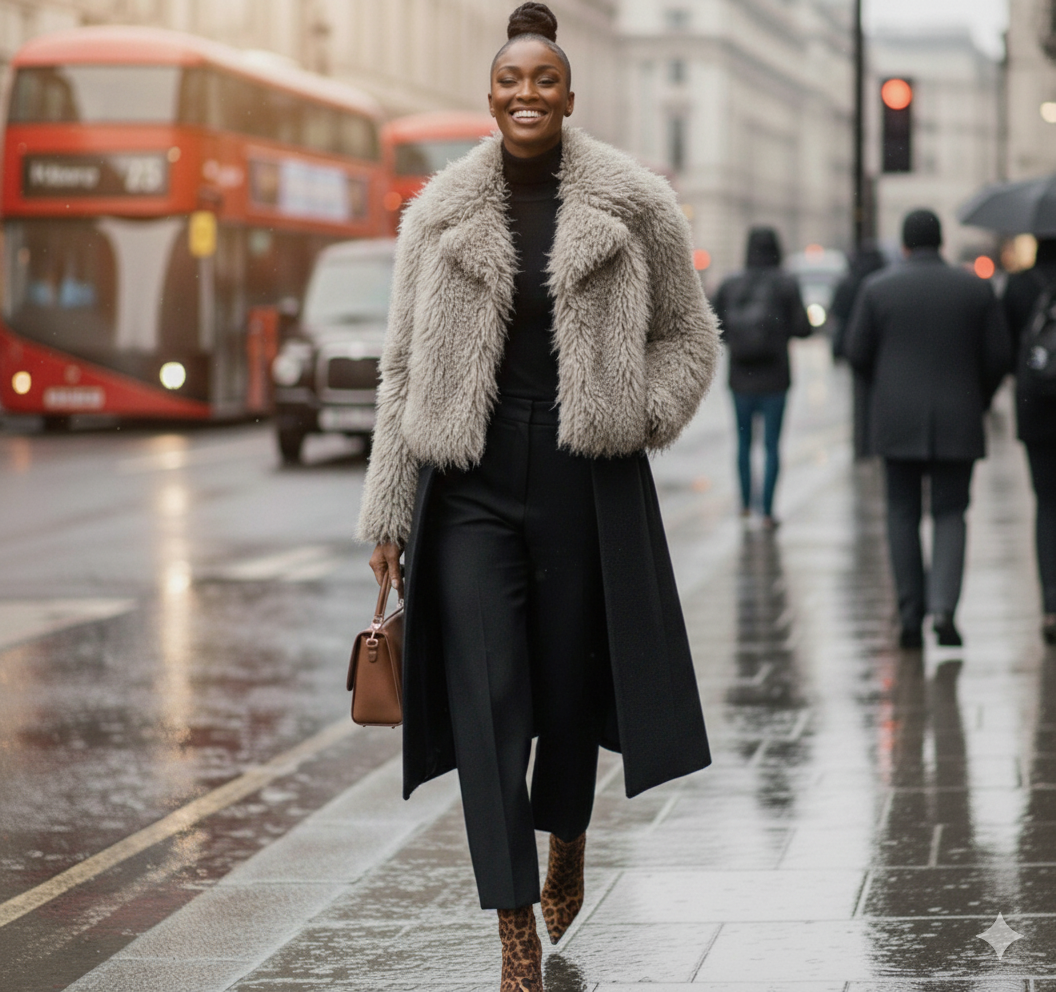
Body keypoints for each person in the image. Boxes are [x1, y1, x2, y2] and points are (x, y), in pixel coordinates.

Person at [357, 4, 719, 989]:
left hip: (582, 475)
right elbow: (398, 371)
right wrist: (390, 513)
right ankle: (512, 924)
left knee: (566, 689)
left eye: (545, 80)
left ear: (569, 93)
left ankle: (567, 829)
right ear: (490, 95)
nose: (528, 94)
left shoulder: (635, 204)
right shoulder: (437, 215)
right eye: (511, 81)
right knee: (488, 697)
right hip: (467, 483)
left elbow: (690, 338)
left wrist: (637, 409)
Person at [845, 209, 1011, 649]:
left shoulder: (878, 289)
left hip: (897, 419)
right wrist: (977, 394)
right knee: (951, 512)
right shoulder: (974, 289)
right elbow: (999, 356)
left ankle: (908, 615)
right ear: (940, 243)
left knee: (902, 514)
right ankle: (944, 609)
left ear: (904, 245)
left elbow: (856, 352)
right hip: (959, 416)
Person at [713, 227, 811, 527]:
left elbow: (715, 328)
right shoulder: (785, 284)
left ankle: (744, 505)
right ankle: (767, 511)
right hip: (775, 379)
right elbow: (803, 328)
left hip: (741, 378)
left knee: (743, 444)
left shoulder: (731, 285)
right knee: (771, 446)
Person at [1002, 237, 1056, 644]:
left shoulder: (1020, 286)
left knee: (1048, 505)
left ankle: (1052, 605)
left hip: (1036, 410)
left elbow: (1001, 351)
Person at [831, 242, 887, 460]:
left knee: (861, 400)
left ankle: (864, 445)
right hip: (880, 350)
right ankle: (874, 443)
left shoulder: (848, 282)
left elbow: (837, 311)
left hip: (855, 345)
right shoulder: (880, 282)